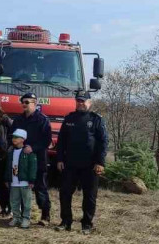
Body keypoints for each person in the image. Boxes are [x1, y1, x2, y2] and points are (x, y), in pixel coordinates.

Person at [54, 91, 108, 235]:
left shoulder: (96, 119)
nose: (80, 103)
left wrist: (100, 162)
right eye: (78, 101)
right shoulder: (69, 119)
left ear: (89, 103)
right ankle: (66, 222)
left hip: (90, 165)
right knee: (65, 193)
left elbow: (103, 143)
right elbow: (61, 142)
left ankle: (87, 224)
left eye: (83, 101)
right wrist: (59, 159)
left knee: (89, 196)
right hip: (70, 164)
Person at [10, 92, 52, 225]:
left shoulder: (42, 119)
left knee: (40, 187)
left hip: (37, 159)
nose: (24, 104)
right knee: (21, 187)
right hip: (20, 160)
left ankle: (45, 215)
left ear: (35, 103)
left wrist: (33, 148)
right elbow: (11, 135)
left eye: (27, 102)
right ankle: (22, 215)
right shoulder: (18, 120)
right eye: (22, 102)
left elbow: (47, 140)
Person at [5, 129, 36, 229]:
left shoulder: (28, 152)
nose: (14, 139)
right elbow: (8, 166)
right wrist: (7, 178)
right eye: (13, 137)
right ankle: (16, 217)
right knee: (14, 201)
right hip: (14, 182)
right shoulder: (11, 151)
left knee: (26, 202)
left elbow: (33, 166)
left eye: (16, 137)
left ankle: (26, 218)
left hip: (24, 182)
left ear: (23, 139)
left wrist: (31, 180)